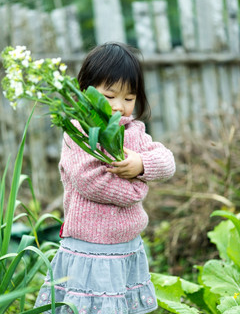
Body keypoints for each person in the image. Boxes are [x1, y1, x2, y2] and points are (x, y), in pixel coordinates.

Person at [35, 42, 176, 314]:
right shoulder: (79, 132)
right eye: (109, 96)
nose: (119, 107)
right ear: (85, 92)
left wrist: (142, 163)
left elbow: (167, 161)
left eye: (129, 98)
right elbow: (90, 180)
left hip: (126, 246)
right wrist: (137, 190)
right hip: (91, 249)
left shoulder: (133, 130)